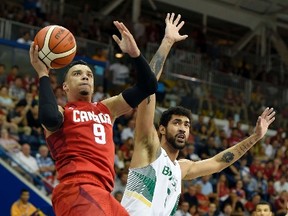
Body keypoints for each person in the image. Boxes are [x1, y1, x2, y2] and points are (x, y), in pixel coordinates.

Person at [120, 13, 276, 216]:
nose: (183, 128)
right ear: (161, 128)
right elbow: (147, 89)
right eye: (177, 123)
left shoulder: (181, 168)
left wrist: (255, 138)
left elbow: (220, 162)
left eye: (186, 125)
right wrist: (167, 42)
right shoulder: (148, 148)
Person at [29, 20, 158, 215]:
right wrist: (42, 73)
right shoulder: (63, 112)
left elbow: (148, 86)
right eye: (77, 74)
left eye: (89, 74)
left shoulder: (107, 108)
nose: (85, 77)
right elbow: (49, 118)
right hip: (77, 188)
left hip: (104, 194)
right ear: (65, 86)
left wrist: (135, 54)